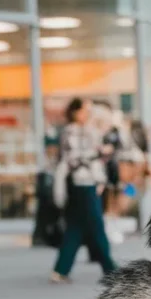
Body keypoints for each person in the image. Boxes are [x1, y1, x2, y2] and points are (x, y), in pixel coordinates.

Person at [51, 98, 117, 283]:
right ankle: (110, 269)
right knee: (97, 227)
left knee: (75, 228)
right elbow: (74, 159)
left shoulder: (86, 130)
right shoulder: (72, 131)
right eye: (86, 110)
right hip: (82, 184)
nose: (89, 114)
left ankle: (60, 270)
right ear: (75, 112)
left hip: (87, 183)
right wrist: (100, 152)